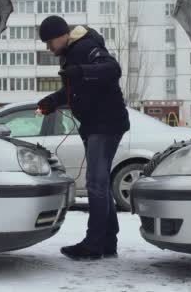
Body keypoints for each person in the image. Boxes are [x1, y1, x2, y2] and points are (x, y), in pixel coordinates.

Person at [37, 15, 130, 260]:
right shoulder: (73, 52)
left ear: (60, 35)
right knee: (100, 184)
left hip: (105, 123)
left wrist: (79, 71)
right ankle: (107, 242)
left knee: (96, 184)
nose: (49, 48)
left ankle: (93, 244)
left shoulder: (87, 47)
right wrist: (52, 101)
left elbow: (112, 69)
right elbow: (77, 88)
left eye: (49, 42)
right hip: (95, 124)